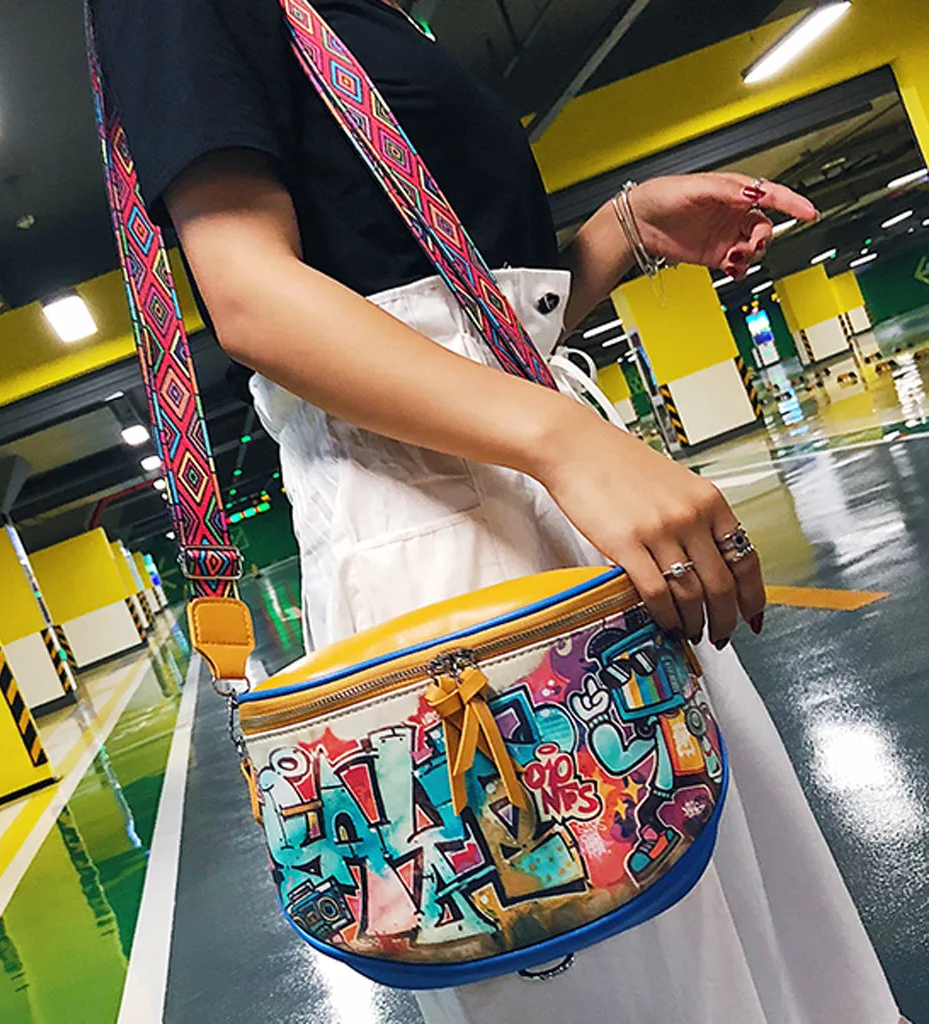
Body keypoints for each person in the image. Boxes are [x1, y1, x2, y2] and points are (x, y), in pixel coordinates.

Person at [93, 1, 903, 1021]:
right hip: (449, 553)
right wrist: (565, 441)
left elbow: (452, 312)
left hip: (541, 503)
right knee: (635, 982)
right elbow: (251, 296)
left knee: (738, 941)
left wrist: (618, 233)